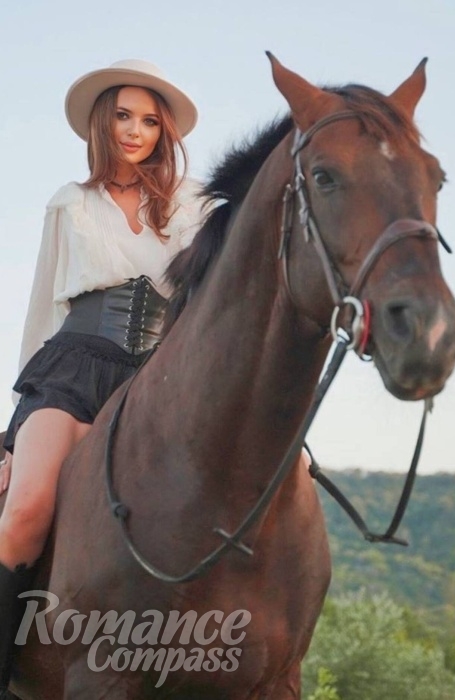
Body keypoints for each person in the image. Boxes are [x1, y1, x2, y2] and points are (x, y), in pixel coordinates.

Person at [0, 58, 204, 692]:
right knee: (25, 512)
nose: (135, 130)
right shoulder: (71, 203)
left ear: (165, 131)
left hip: (152, 382)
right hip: (72, 370)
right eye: (123, 116)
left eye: (150, 120)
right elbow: (43, 313)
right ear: (102, 123)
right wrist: (9, 438)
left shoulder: (193, 206)